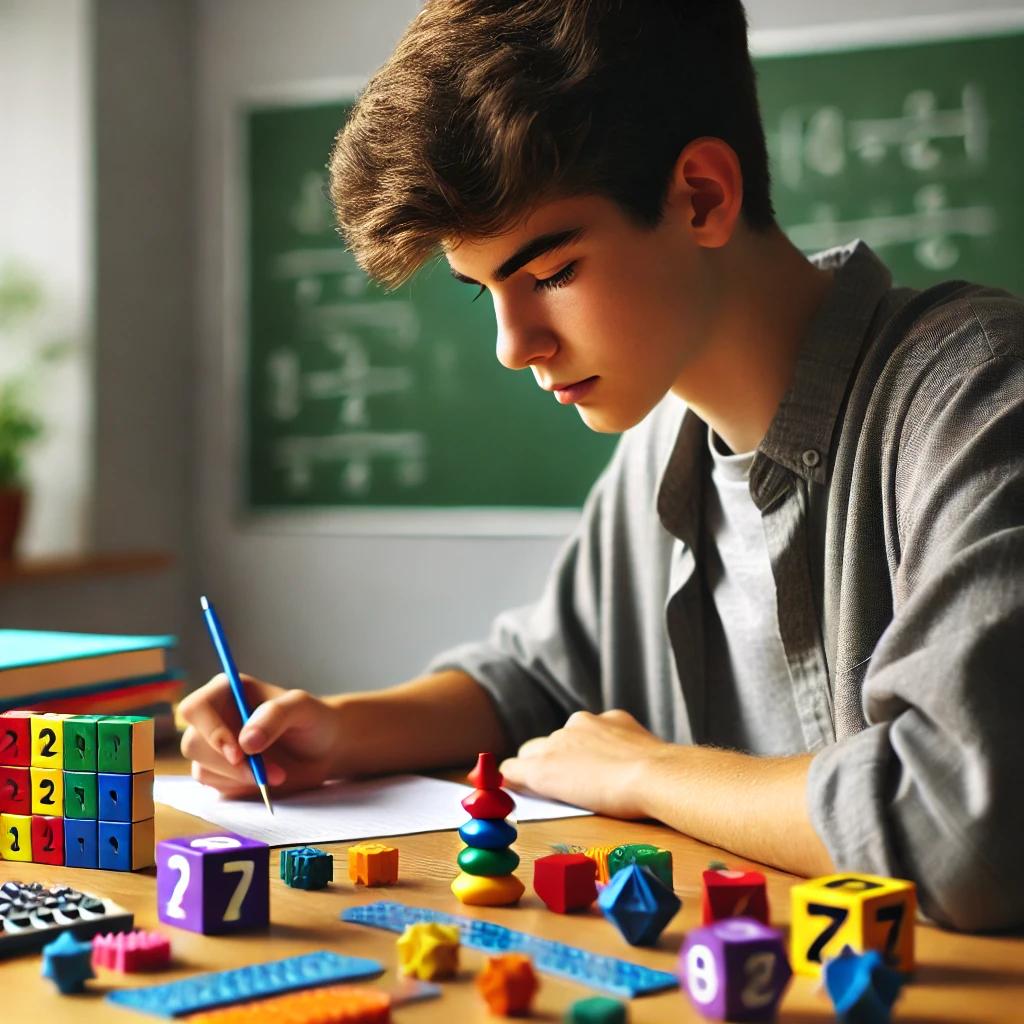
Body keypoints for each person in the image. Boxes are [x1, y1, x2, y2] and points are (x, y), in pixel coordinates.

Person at [179, 0, 1024, 931]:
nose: (512, 345)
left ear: (702, 195)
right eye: (485, 292)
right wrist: (341, 728)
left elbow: (964, 826)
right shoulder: (659, 447)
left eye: (550, 274)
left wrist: (647, 770)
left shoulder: (980, 393)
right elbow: (535, 685)